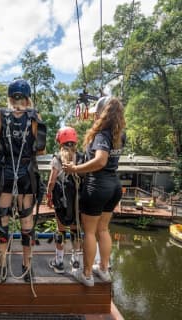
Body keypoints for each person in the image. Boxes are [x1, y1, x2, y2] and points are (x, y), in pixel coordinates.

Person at [0, 79, 46, 283]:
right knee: (27, 220)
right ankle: (26, 267)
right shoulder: (35, 116)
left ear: (10, 97)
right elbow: (41, 149)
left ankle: (2, 265)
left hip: (5, 173)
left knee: (3, 219)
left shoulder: (0, 116)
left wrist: (5, 149)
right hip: (26, 175)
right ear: (28, 98)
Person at [62, 96, 126, 287]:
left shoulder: (102, 135)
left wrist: (74, 169)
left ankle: (87, 274)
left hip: (98, 186)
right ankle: (104, 269)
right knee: (103, 229)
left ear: (101, 113)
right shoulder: (120, 133)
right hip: (114, 185)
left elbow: (100, 161)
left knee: (89, 232)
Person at [46, 127, 84, 274]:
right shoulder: (81, 157)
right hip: (77, 202)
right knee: (75, 229)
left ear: (59, 140)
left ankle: (59, 262)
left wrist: (49, 196)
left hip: (62, 202)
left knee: (60, 230)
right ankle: (75, 261)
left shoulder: (57, 158)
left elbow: (51, 181)